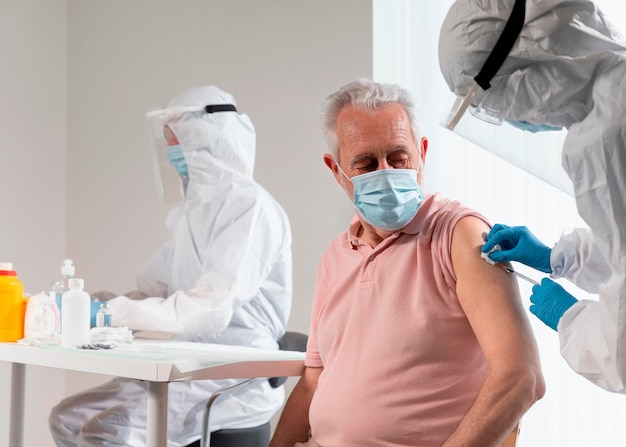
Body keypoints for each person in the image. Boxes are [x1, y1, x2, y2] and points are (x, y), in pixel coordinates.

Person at [269, 79, 544, 447]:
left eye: (399, 158)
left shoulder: (458, 235)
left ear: (422, 152)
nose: (386, 172)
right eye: (366, 163)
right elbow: (314, 381)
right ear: (336, 171)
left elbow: (521, 378)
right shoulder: (337, 255)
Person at [48, 85, 293, 447]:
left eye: (173, 138)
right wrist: (82, 304)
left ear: (202, 137)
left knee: (108, 433)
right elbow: (155, 291)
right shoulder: (189, 214)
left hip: (231, 375)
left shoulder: (250, 207)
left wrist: (108, 314)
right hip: (185, 361)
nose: (169, 149)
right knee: (66, 419)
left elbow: (209, 310)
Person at [438, 0, 626, 393]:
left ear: (528, 77)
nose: (508, 117)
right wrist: (559, 258)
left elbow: (621, 352)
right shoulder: (615, 94)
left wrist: (571, 319)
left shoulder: (602, 142)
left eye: (497, 104)